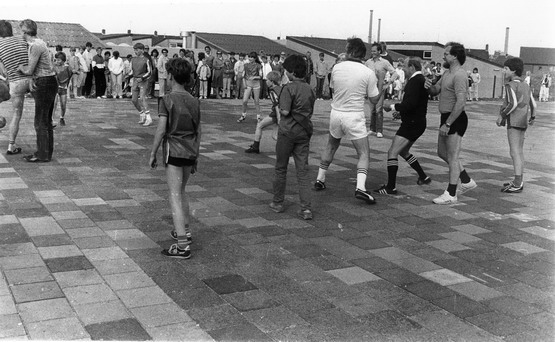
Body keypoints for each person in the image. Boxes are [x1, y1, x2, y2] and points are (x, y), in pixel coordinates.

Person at [314, 37, 381, 205]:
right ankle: (360, 187)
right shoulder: (368, 72)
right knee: (364, 153)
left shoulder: (336, 68)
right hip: (354, 115)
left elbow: (333, 89)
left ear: (350, 51)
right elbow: (374, 100)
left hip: (336, 113)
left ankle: (320, 179)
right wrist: (382, 85)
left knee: (331, 145)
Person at [149, 58, 201, 259]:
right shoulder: (194, 100)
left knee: (174, 195)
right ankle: (185, 231)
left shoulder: (167, 99)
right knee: (182, 191)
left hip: (174, 151)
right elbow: (199, 131)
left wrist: (153, 152)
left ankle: (182, 246)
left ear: (170, 76)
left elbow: (161, 129)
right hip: (189, 150)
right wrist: (196, 154)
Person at [425, 42, 477, 204]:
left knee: (453, 157)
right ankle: (466, 180)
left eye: (446, 53)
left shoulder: (460, 75)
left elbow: (461, 103)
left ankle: (451, 193)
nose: (443, 56)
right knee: (442, 153)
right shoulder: (447, 73)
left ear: (454, 56)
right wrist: (428, 86)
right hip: (446, 118)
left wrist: (447, 124)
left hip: (455, 119)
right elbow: (435, 90)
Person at [376, 57, 431, 195]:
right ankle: (423, 176)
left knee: (392, 152)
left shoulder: (414, 81)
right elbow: (416, 104)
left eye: (405, 67)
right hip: (417, 122)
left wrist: (392, 107)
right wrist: (401, 113)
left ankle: (391, 187)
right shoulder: (420, 80)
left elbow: (410, 104)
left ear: (412, 67)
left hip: (411, 124)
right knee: (403, 151)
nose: (403, 70)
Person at [270, 55, 315, 220]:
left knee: (281, 168)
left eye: (287, 71)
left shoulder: (288, 88)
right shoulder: (310, 88)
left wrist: (278, 105)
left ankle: (277, 202)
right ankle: (306, 209)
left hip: (287, 131)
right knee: (302, 171)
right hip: (303, 132)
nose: (285, 74)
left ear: (292, 72)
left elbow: (285, 112)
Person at [17, 19, 58, 162]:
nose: (19, 33)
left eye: (20, 31)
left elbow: (29, 70)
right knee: (45, 120)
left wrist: (21, 68)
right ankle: (45, 153)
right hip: (49, 81)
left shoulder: (35, 46)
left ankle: (42, 154)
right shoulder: (39, 43)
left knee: (40, 121)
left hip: (45, 83)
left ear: (25, 32)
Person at [496, 58, 536, 193]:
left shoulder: (510, 85)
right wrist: (533, 116)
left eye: (506, 68)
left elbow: (512, 103)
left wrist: (502, 115)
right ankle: (519, 180)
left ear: (513, 70)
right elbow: (533, 104)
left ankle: (517, 183)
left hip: (513, 121)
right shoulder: (526, 85)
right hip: (523, 121)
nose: (503, 71)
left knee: (514, 152)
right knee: (519, 151)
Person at [0, 20, 32, 156]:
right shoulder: (21, 39)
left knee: (16, 114)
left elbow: (3, 71)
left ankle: (11, 146)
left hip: (15, 82)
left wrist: (7, 73)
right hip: (31, 79)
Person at [365, 42, 398, 138]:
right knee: (372, 110)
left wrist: (388, 83)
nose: (373, 53)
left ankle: (379, 130)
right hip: (371, 88)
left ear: (379, 51)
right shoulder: (368, 62)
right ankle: (372, 129)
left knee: (379, 109)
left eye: (374, 51)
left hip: (380, 88)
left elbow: (395, 73)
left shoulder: (384, 62)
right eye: (371, 51)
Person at [245, 71, 282, 154]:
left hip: (276, 114)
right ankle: (289, 147)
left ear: (272, 81)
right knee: (275, 135)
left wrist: (279, 117)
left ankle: (255, 146)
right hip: (281, 113)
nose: (266, 82)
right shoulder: (281, 88)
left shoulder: (272, 91)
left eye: (268, 80)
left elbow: (276, 105)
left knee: (260, 125)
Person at [237, 51, 262, 123]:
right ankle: (243, 115)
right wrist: (244, 83)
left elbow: (260, 76)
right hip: (248, 84)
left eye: (252, 57)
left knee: (256, 101)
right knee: (244, 101)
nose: (250, 58)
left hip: (256, 84)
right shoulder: (246, 65)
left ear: (255, 58)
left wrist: (254, 77)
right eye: (249, 57)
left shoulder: (258, 65)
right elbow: (243, 75)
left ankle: (258, 117)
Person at [131, 43, 152, 126]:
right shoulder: (133, 59)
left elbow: (150, 72)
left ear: (142, 50)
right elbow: (132, 71)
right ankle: (142, 114)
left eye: (137, 50)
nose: (135, 51)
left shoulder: (146, 60)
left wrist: (142, 78)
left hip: (143, 81)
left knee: (143, 98)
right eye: (134, 50)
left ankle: (149, 118)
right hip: (135, 80)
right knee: (134, 100)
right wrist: (128, 76)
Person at [52, 52, 72, 126]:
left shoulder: (67, 68)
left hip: (63, 88)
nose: (57, 61)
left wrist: (66, 85)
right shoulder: (54, 67)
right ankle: (51, 119)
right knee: (54, 103)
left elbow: (69, 77)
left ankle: (62, 117)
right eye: (56, 60)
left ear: (63, 60)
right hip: (55, 88)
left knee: (63, 104)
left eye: (59, 60)